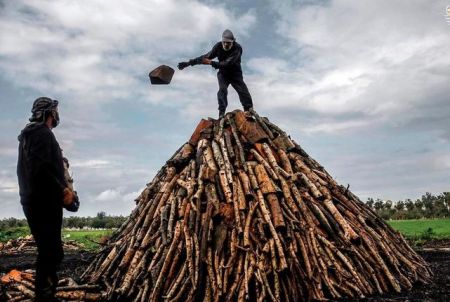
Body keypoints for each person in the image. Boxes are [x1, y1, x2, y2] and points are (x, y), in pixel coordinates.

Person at [17, 97, 77, 301]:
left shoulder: (31, 136)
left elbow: (41, 166)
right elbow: (40, 170)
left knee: (50, 251)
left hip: (37, 201)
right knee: (50, 252)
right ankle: (44, 298)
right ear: (49, 113)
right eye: (55, 111)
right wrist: (63, 191)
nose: (57, 115)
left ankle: (45, 296)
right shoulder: (40, 133)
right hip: (43, 202)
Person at [178, 29, 254, 119]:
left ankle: (248, 110)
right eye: (224, 42)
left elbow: (227, 64)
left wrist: (211, 63)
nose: (226, 44)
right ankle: (221, 113)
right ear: (222, 41)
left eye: (228, 43)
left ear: (233, 42)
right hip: (223, 74)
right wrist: (188, 63)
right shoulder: (218, 46)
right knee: (222, 90)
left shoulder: (237, 48)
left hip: (235, 74)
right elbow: (205, 57)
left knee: (243, 91)